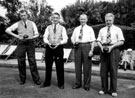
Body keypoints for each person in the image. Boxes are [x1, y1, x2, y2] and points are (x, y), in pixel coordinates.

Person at [5, 9, 41, 85]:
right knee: (21, 61)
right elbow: (7, 30)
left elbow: (37, 34)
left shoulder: (32, 23)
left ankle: (36, 79)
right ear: (20, 16)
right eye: (21, 15)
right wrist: (17, 36)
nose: (23, 17)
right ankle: (22, 79)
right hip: (21, 43)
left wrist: (31, 37)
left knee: (32, 61)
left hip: (30, 43)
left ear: (27, 15)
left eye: (24, 15)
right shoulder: (17, 24)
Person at [97, 13, 125, 97]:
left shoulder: (117, 29)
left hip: (114, 50)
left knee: (113, 70)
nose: (108, 22)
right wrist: (101, 47)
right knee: (103, 70)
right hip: (103, 49)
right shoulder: (102, 30)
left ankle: (113, 90)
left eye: (110, 20)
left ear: (113, 20)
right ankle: (104, 89)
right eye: (106, 20)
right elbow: (98, 40)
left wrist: (111, 47)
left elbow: (121, 41)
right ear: (104, 20)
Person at [40, 12, 68, 89]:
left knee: (59, 66)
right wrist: (48, 42)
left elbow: (65, 39)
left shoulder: (62, 28)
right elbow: (45, 37)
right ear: (51, 18)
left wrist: (59, 43)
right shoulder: (48, 27)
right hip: (49, 47)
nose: (55, 19)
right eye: (54, 17)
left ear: (59, 19)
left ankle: (61, 84)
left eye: (57, 18)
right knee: (48, 66)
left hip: (59, 48)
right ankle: (47, 82)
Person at [71, 14, 96, 91]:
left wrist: (91, 50)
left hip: (87, 46)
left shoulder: (90, 29)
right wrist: (74, 42)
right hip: (77, 47)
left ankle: (86, 85)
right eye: (81, 19)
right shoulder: (76, 29)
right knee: (77, 66)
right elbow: (72, 38)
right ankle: (78, 83)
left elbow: (93, 40)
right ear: (79, 20)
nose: (82, 21)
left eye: (84, 19)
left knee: (87, 67)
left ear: (87, 20)